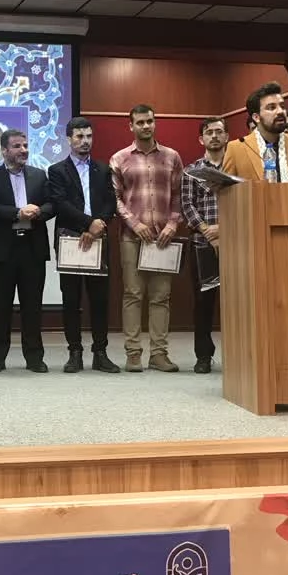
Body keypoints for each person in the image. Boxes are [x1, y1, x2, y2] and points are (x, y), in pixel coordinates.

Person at [110, 104, 184, 373]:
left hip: (164, 239)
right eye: (140, 122)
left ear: (155, 123)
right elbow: (114, 199)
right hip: (132, 237)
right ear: (131, 126)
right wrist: (134, 222)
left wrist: (173, 224)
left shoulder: (172, 157)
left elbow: (179, 195)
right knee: (133, 294)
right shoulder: (119, 158)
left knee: (161, 297)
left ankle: (159, 354)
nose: (146, 126)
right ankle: (133, 354)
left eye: (150, 121)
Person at [0, 129, 55, 373]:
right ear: (4, 151)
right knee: (0, 306)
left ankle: (34, 357)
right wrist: (17, 213)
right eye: (17, 146)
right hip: (2, 250)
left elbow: (52, 204)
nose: (23, 150)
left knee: (32, 306)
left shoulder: (39, 175)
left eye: (25, 145)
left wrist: (38, 212)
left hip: (32, 248)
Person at [47, 116, 118, 373]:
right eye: (79, 136)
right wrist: (89, 223)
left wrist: (99, 224)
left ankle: (100, 352)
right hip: (70, 239)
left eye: (88, 136)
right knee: (71, 299)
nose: (85, 141)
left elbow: (111, 201)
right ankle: (74, 352)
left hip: (98, 239)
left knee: (99, 299)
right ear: (69, 139)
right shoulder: (57, 170)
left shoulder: (103, 169)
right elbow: (60, 203)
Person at [181, 117, 228, 374]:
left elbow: (246, 201)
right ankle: (203, 356)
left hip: (236, 241)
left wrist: (224, 228)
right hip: (202, 242)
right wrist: (207, 230)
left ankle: (239, 355)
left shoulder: (236, 168)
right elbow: (187, 205)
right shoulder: (192, 170)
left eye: (219, 131)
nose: (214, 136)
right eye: (209, 132)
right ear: (201, 139)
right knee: (203, 302)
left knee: (239, 302)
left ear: (227, 136)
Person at [222, 82, 288, 182]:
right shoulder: (236, 149)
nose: (280, 111)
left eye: (282, 106)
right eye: (271, 108)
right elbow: (225, 192)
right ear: (256, 117)